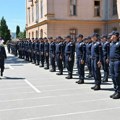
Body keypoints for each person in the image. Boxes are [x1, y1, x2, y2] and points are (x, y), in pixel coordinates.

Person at [109, 31, 120, 99]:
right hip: (112, 61)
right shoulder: (112, 43)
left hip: (117, 61)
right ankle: (115, 90)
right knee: (113, 76)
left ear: (116, 36)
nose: (111, 37)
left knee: (117, 76)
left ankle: (119, 92)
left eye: (112, 35)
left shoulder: (119, 43)